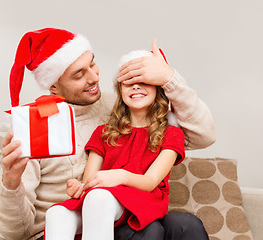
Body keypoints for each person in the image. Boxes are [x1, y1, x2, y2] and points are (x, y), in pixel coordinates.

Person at [0, 28, 214, 240]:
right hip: (76, 217)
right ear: (54, 86)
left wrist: (169, 78)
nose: (94, 78)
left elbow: (204, 135)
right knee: (147, 231)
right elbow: (12, 233)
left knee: (187, 225)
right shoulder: (35, 128)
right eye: (79, 74)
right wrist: (11, 183)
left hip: (126, 207)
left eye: (92, 64)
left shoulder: (120, 107)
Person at [44, 49, 186, 240]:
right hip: (102, 200)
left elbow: (150, 182)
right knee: (56, 213)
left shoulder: (171, 134)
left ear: (158, 89)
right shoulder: (104, 132)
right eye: (128, 82)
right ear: (120, 90)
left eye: (143, 81)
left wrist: (119, 176)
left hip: (142, 199)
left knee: (98, 198)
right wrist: (79, 187)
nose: (135, 86)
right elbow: (90, 181)